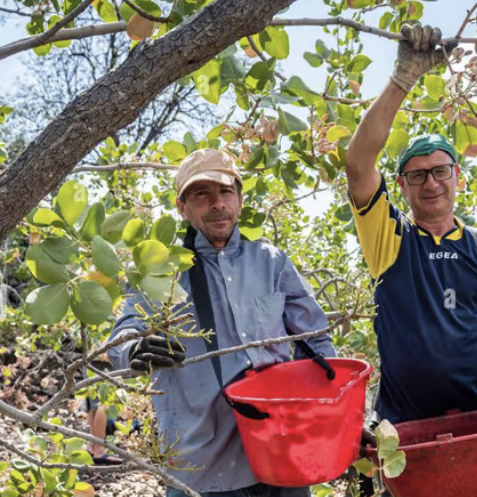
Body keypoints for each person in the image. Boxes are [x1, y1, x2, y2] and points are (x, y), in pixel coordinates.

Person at [345, 24, 477, 430]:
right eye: (417, 175)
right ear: (402, 186)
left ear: (458, 177)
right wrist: (402, 79)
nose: (431, 183)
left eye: (440, 171)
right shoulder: (390, 238)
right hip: (405, 434)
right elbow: (358, 164)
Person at [107, 148, 336, 497]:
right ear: (182, 207)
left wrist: (336, 410)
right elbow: (122, 336)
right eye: (202, 194)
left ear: (239, 202)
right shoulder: (160, 272)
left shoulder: (272, 262)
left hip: (282, 451)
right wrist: (133, 349)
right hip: (201, 466)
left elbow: (316, 340)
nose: (217, 204)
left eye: (226, 192)